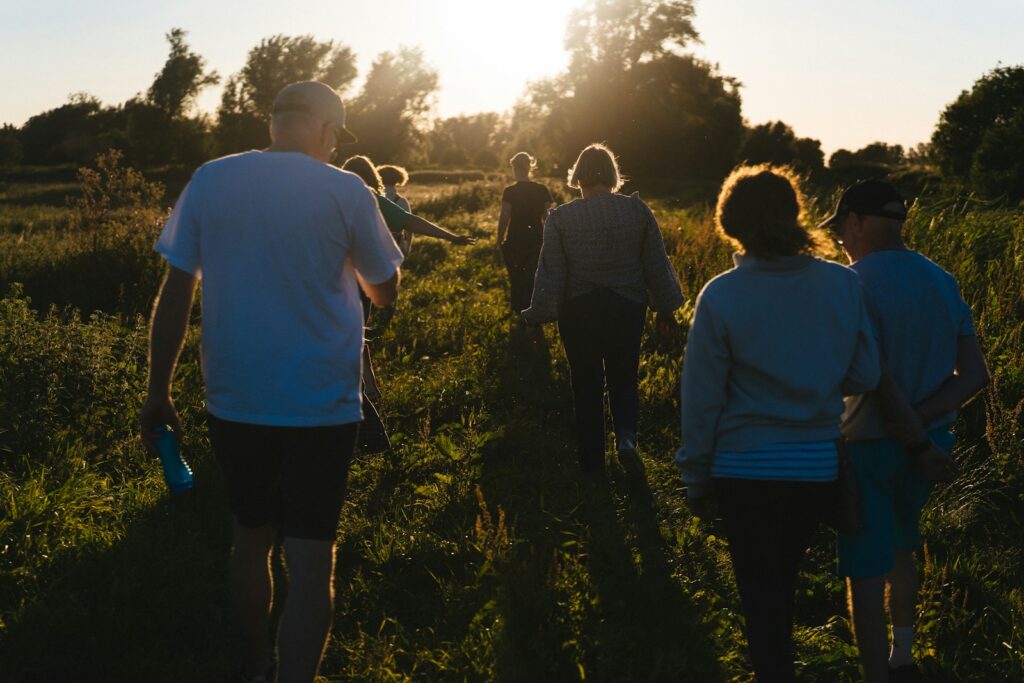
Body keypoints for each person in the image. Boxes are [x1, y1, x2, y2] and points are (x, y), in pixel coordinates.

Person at [139, 81, 403, 683]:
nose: (335, 146)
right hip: (322, 405)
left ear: (273, 123)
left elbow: (176, 292)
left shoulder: (211, 179)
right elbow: (383, 291)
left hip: (236, 400)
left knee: (249, 540)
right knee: (310, 561)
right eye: (336, 135)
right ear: (324, 129)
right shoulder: (346, 190)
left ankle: (253, 671)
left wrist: (159, 390)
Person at [677, 165, 881, 682]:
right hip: (814, 468)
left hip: (742, 470)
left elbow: (701, 401)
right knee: (783, 581)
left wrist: (695, 476)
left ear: (729, 223)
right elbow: (865, 372)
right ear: (795, 216)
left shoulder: (720, 296)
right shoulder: (842, 283)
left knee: (760, 594)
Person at [822, 180, 990, 683]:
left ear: (855, 222)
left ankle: (877, 674)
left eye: (841, 230)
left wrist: (900, 420)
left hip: (866, 443)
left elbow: (853, 374)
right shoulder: (942, 280)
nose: (840, 242)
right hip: (931, 447)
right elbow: (976, 374)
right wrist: (921, 421)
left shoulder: (847, 283)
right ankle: (903, 656)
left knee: (865, 565)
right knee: (903, 545)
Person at [523, 143, 683, 475]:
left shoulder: (561, 218)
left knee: (585, 382)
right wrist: (666, 308)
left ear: (578, 176)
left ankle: (592, 461)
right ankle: (626, 439)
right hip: (627, 306)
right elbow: (655, 263)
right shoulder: (637, 211)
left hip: (578, 310)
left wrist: (535, 317)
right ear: (612, 176)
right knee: (624, 375)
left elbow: (551, 272)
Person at [340, 155, 474, 452]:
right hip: (363, 281)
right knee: (353, 339)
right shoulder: (369, 198)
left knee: (348, 343)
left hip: (330, 284)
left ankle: (365, 411)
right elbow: (410, 221)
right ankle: (368, 419)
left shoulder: (333, 196)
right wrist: (450, 237)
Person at [496, 152, 553, 319]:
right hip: (537, 240)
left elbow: (505, 216)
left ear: (514, 167)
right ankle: (533, 311)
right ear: (530, 167)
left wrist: (499, 239)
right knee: (533, 277)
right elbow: (549, 217)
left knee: (516, 276)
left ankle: (518, 311)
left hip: (515, 240)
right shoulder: (542, 190)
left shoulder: (510, 191)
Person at [377, 164, 412, 254]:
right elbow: (409, 227)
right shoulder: (402, 201)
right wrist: (408, 246)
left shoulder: (374, 198)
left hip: (377, 245)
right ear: (398, 179)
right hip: (396, 246)